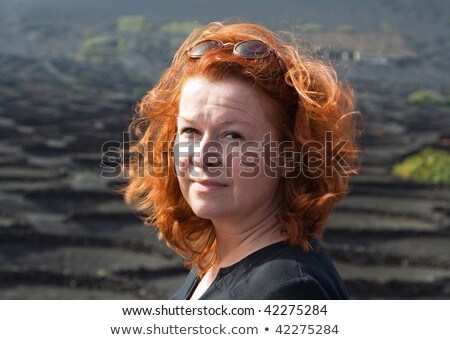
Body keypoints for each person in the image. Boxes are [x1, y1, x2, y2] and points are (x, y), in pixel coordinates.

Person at [122, 21, 360, 299]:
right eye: (190, 131)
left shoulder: (288, 291)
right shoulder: (218, 262)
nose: (202, 156)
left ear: (289, 154)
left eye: (232, 136)